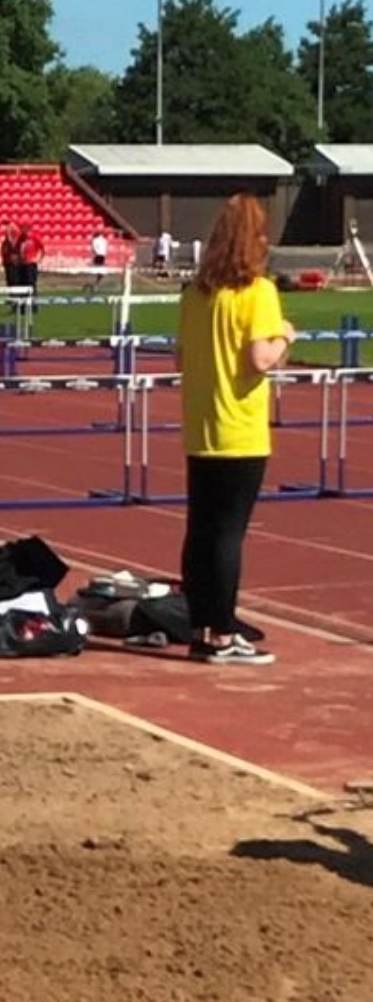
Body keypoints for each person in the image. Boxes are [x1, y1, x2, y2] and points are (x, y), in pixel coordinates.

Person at [177, 194, 295, 665]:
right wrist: (286, 334)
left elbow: (181, 358)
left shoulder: (194, 294)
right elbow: (260, 360)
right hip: (240, 428)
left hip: (201, 425)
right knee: (228, 534)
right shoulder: (258, 292)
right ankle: (224, 632)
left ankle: (202, 625)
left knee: (200, 530)